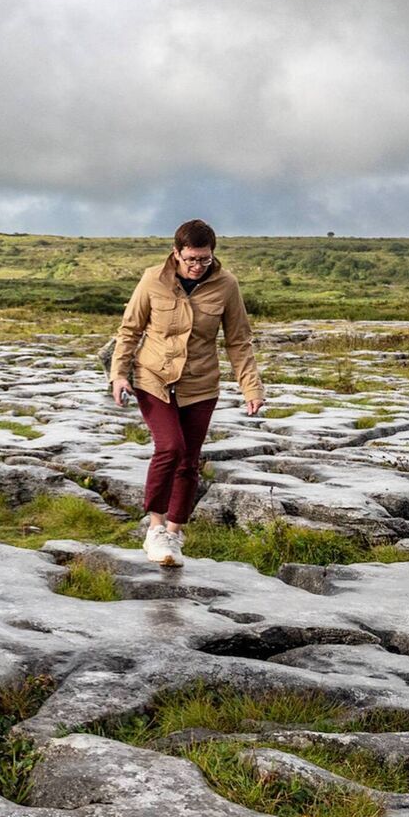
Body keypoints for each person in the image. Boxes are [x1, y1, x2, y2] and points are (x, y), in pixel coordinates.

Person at [110, 219, 264, 568]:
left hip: (200, 384)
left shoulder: (227, 285)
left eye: (204, 260)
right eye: (191, 259)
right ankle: (155, 526)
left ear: (213, 254)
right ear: (176, 252)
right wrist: (119, 374)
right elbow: (130, 329)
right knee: (171, 447)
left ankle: (174, 534)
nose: (197, 266)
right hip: (153, 379)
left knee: (189, 460)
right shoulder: (153, 279)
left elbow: (239, 341)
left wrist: (251, 387)